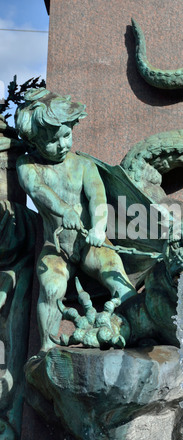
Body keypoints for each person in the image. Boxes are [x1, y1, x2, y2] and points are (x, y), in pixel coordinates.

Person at [15, 88, 136, 351]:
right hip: (56, 248)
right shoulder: (27, 166)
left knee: (115, 272)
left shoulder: (83, 165)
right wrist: (64, 210)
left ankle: (134, 329)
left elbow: (98, 199)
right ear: (35, 142)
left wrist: (99, 228)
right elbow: (37, 190)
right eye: (53, 141)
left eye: (67, 136)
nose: (63, 145)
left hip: (91, 243)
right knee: (51, 285)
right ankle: (46, 348)